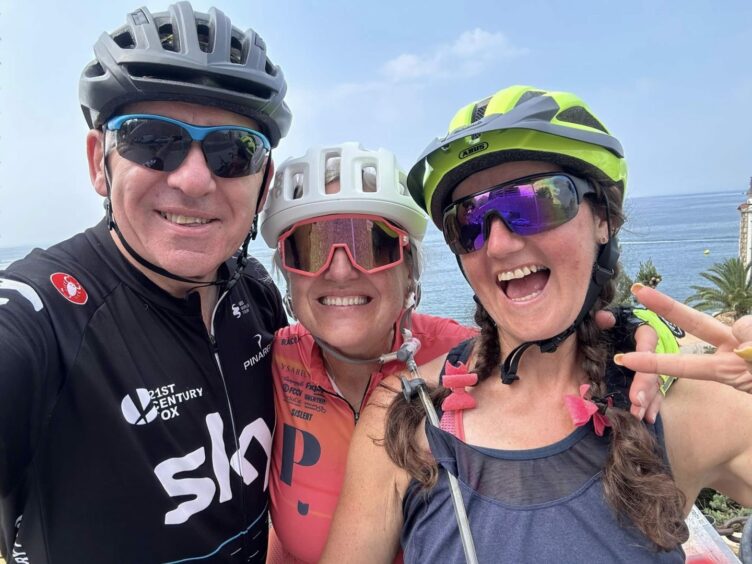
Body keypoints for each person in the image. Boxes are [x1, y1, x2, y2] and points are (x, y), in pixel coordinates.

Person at [321, 86, 752, 563]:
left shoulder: (674, 410)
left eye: (536, 202)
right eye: (471, 220)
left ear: (603, 220)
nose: (500, 245)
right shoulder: (403, 417)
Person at [257, 143, 683, 563]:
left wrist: (644, 335)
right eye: (309, 247)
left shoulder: (458, 362)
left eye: (372, 243)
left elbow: (547, 339)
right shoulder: (271, 361)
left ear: (410, 272)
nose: (341, 267)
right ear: (287, 275)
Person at [0, 2, 290, 562]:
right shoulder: (44, 314)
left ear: (263, 181)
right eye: (153, 140)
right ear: (98, 163)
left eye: (234, 152)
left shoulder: (256, 292)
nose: (195, 180)